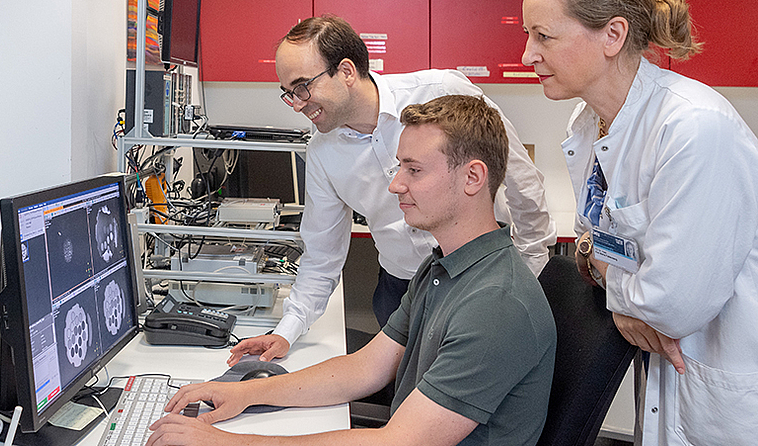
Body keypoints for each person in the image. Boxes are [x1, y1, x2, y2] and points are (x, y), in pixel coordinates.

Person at [147, 95, 557, 446]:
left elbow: (396, 441)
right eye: (400, 167)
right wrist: (251, 393)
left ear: (472, 178)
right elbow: (367, 367)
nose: (395, 184)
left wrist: (227, 442)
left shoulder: (496, 304)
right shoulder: (444, 266)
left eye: (414, 170)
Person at [227, 16, 555, 365]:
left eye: (302, 87)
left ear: (347, 71)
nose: (296, 103)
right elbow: (321, 257)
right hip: (400, 292)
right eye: (288, 93)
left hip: (477, 280)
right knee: (406, 394)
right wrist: (285, 332)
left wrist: (531, 269)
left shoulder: (439, 92)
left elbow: (521, 179)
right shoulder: (323, 151)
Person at [521, 0, 758, 444]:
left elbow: (668, 307)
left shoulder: (694, 129)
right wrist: (619, 283)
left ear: (613, 35)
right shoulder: (593, 122)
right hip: (664, 374)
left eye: (543, 36)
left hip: (723, 392)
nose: (527, 54)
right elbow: (592, 241)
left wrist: (620, 291)